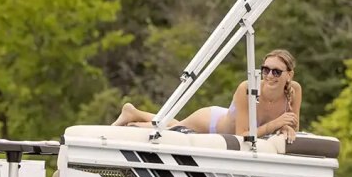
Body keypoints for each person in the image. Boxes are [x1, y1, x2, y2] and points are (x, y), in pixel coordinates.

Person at [111, 49, 302, 142]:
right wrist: (277, 124)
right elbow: (242, 136)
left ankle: (133, 112)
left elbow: (294, 126)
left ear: (289, 75)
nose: (269, 75)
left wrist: (286, 128)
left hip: (223, 119)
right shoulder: (247, 88)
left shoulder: (295, 91)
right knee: (171, 129)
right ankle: (133, 121)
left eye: (276, 72)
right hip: (211, 122)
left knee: (174, 124)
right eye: (265, 69)